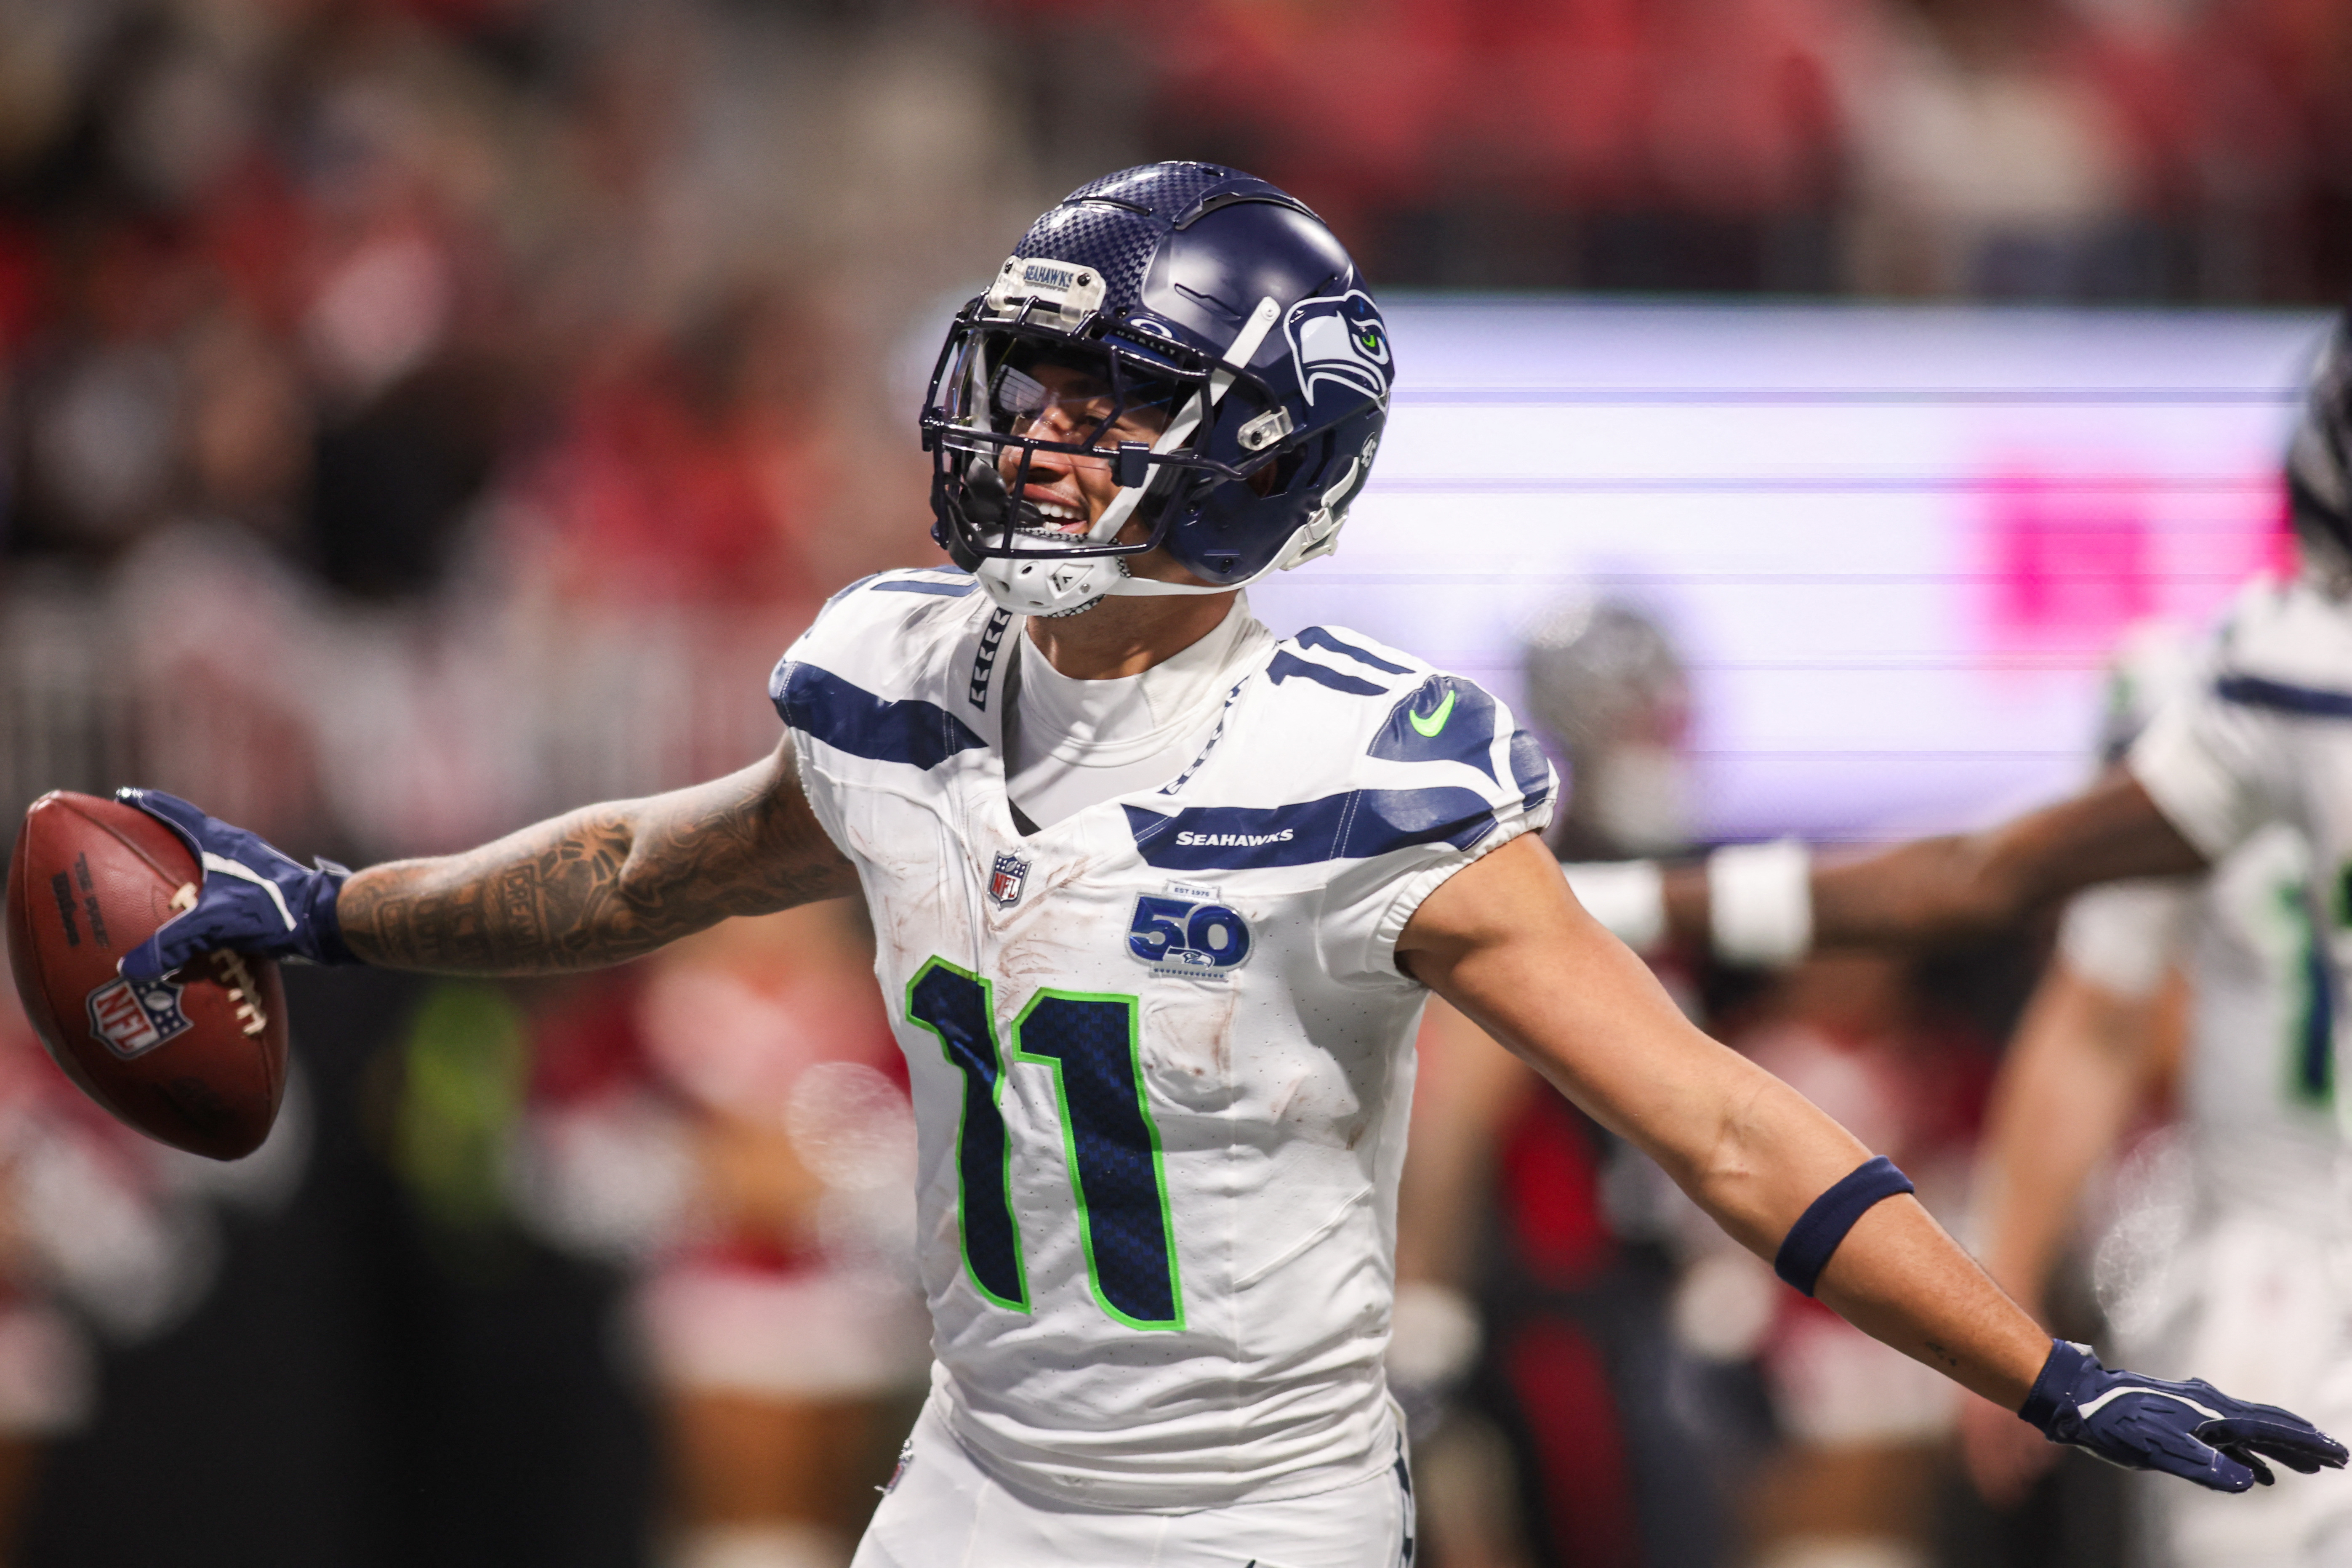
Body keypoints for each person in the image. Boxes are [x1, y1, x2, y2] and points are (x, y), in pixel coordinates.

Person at [88, 165, 2341, 1565]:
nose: (1028, 426)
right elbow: (624, 871)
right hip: (971, 1488)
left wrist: (2036, 1361)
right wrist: (331, 895)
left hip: (1246, 1523)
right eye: (1030, 374)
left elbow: (1730, 1123)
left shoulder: (1370, 773)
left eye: (1100, 397)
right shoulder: (895, 672)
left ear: (1254, 456)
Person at [1953, 622, 2341, 1567]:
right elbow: (2101, 1023)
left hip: (2269, 1280)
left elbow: (2098, 1023)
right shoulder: (2210, 692)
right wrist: (1993, 1304)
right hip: (2271, 1264)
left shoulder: (2218, 687)